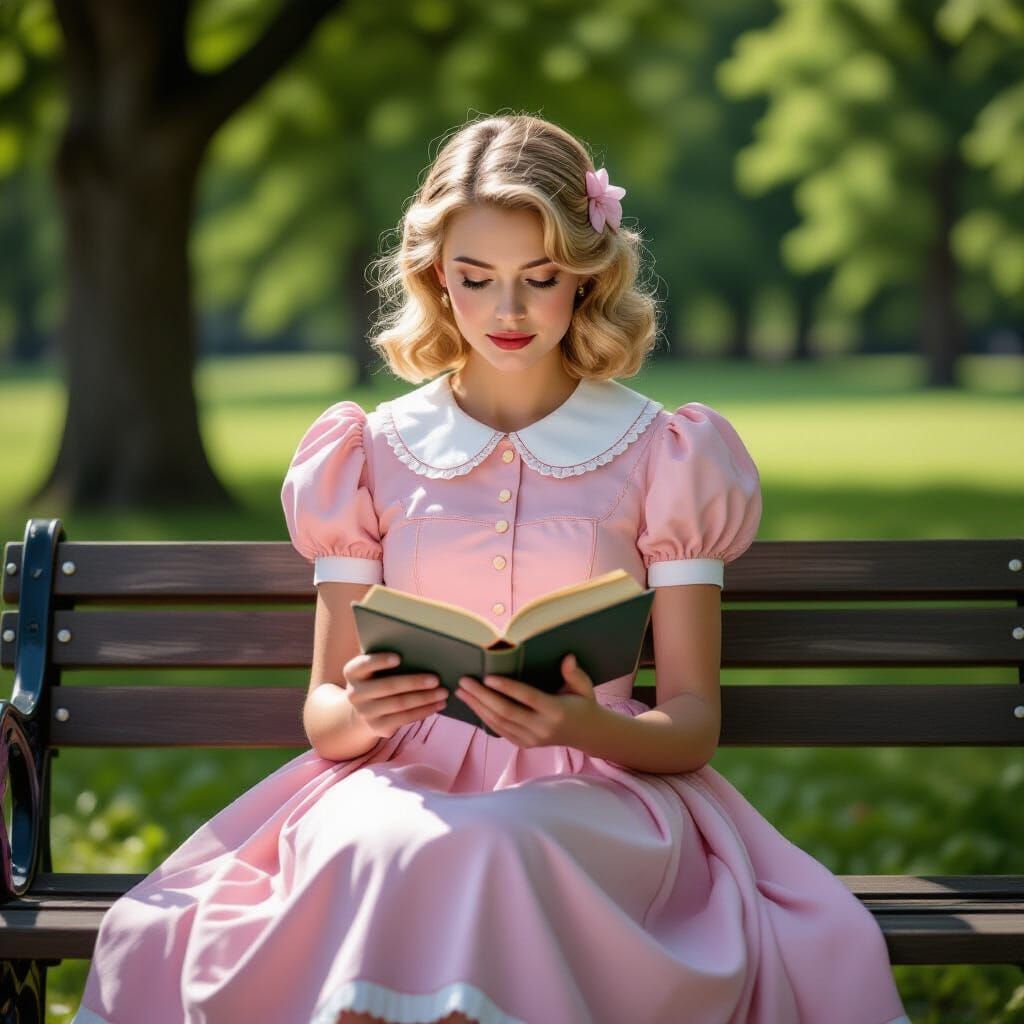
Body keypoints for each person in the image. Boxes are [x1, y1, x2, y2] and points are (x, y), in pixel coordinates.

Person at [71, 113, 911, 1024]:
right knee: (383, 844)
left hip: (599, 788)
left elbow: (692, 724)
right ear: (437, 276)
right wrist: (362, 711)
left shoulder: (664, 453)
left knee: (502, 845)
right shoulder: (370, 451)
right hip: (398, 779)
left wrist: (586, 722)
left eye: (539, 280)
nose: (507, 312)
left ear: (588, 276)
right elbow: (322, 713)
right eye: (476, 279)